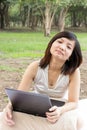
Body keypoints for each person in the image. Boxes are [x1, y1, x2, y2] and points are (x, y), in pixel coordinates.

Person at [0, 31, 87, 130]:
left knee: (73, 119)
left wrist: (60, 111)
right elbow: (19, 95)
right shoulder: (35, 66)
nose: (62, 47)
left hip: (60, 107)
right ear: (51, 44)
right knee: (8, 117)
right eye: (60, 42)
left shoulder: (74, 72)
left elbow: (73, 102)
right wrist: (9, 106)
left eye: (68, 47)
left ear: (70, 56)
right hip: (37, 105)